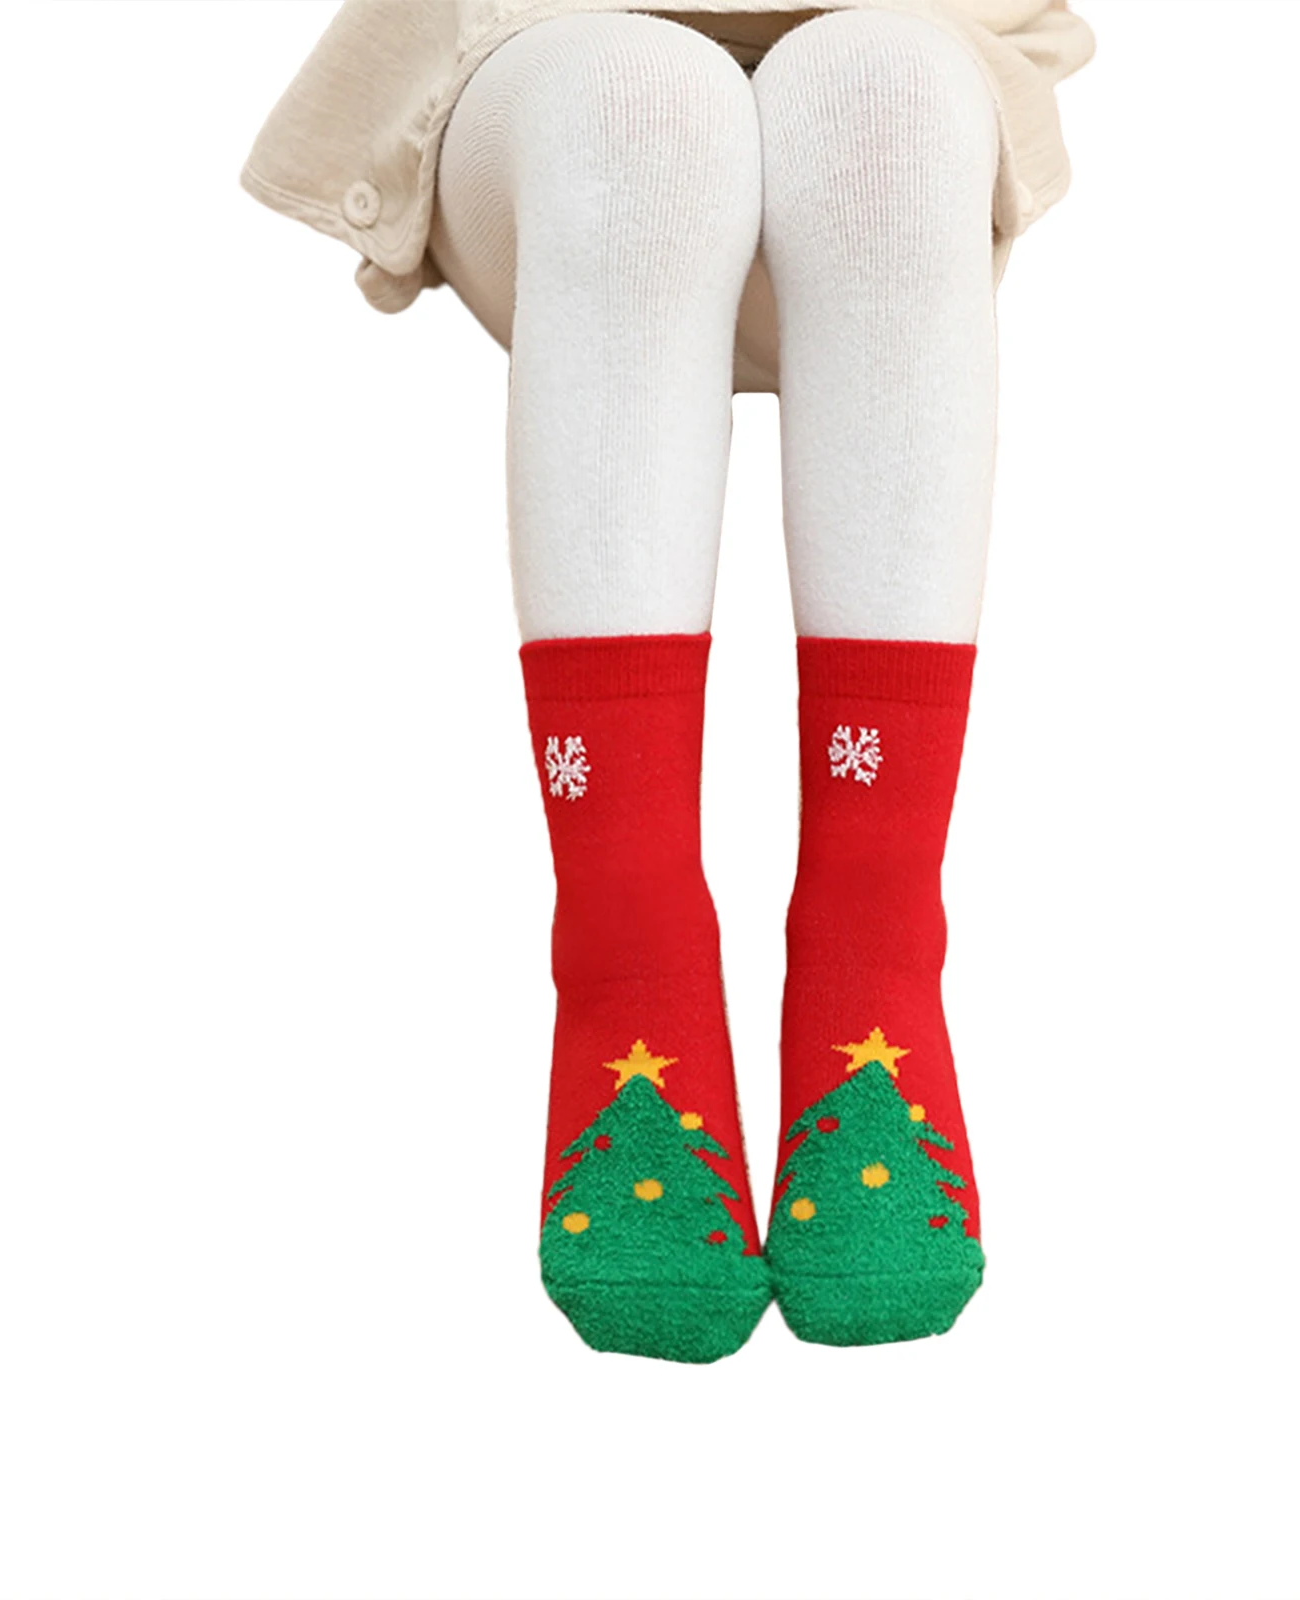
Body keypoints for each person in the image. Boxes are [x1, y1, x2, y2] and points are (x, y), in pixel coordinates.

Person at [241, 0, 1093, 1362]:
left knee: (887, 94)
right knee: (642, 109)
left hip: (903, 90)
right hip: (542, 92)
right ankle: (628, 956)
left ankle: (873, 954)